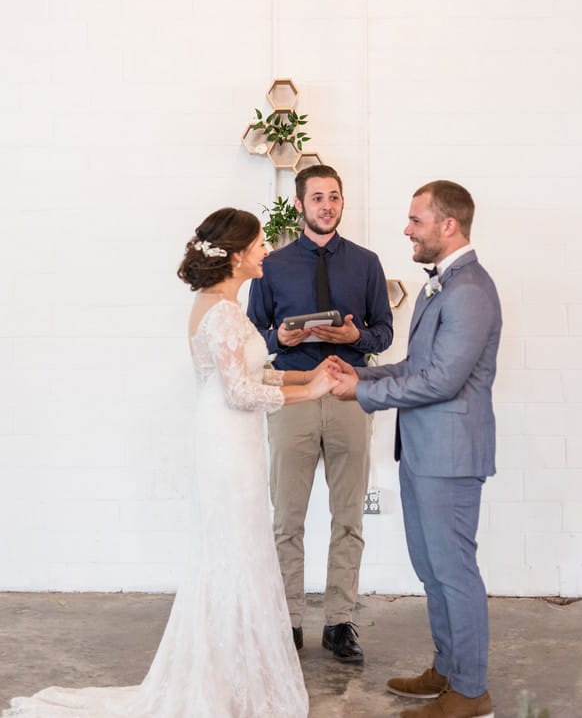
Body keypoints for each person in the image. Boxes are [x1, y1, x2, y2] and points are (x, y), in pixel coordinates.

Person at [4, 207, 336, 718]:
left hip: (231, 436)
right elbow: (242, 392)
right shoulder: (222, 312)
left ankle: (233, 674)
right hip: (226, 441)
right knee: (232, 551)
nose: (267, 251)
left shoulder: (221, 304)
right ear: (237, 254)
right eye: (260, 244)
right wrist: (311, 390)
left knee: (241, 550)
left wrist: (308, 376)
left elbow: (257, 377)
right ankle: (221, 681)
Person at [329, 181, 500, 718]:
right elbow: (418, 365)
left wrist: (361, 392)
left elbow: (442, 382)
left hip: (450, 457)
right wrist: (358, 369)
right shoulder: (443, 287)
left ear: (448, 225)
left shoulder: (469, 290)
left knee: (454, 572)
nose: (407, 229)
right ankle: (447, 669)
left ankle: (471, 691)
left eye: (416, 220)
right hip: (425, 453)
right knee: (431, 568)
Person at [247, 165, 393, 664]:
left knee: (349, 516)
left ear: (341, 202)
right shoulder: (274, 265)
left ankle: (339, 622)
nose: (326, 205)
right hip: (293, 398)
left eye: (334, 197)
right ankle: (288, 621)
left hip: (351, 395)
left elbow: (384, 333)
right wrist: (279, 338)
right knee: (287, 518)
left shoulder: (367, 263)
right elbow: (251, 337)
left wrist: (355, 338)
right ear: (301, 204)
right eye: (317, 198)